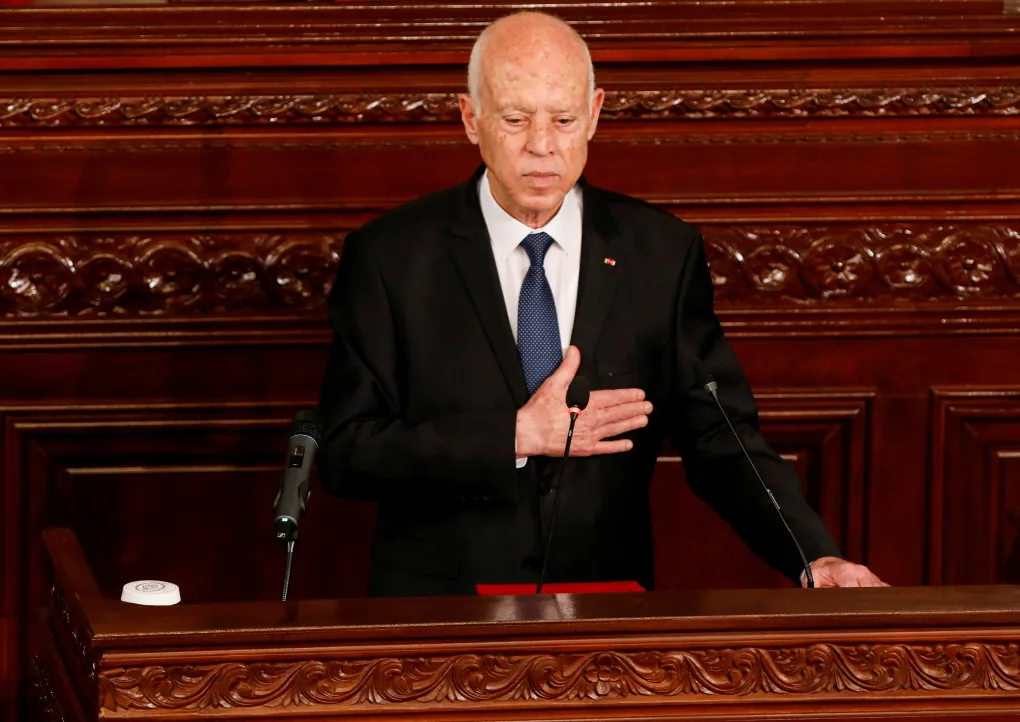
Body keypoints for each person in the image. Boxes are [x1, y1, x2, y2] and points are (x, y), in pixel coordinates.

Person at [317, 11, 886, 596]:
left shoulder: (658, 253)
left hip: (604, 618)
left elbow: (722, 438)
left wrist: (813, 556)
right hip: (439, 617)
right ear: (471, 118)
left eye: (563, 119)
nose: (542, 147)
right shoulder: (391, 257)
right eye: (515, 119)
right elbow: (347, 451)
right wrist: (511, 435)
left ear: (593, 115)